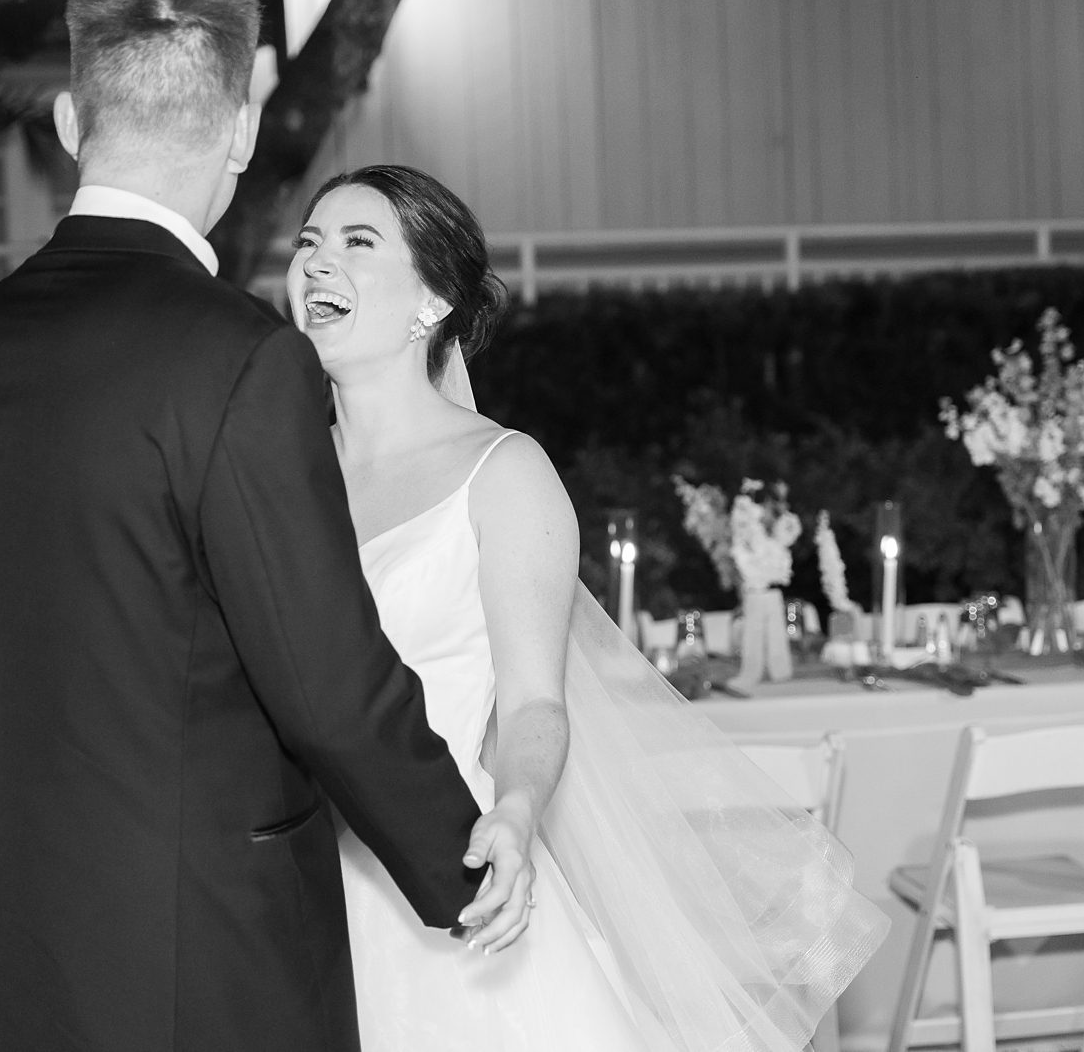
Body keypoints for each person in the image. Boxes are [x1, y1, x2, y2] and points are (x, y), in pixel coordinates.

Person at [0, 0, 523, 1052]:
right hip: (200, 953)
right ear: (239, 133)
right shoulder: (241, 362)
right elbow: (325, 681)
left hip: (2, 939)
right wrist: (460, 863)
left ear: (65, 120)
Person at [289, 164, 891, 1050]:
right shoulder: (276, 471)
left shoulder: (504, 474)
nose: (316, 264)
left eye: (356, 243)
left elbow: (535, 700)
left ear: (432, 299)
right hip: (297, 900)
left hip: (454, 885)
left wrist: (520, 809)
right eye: (307, 243)